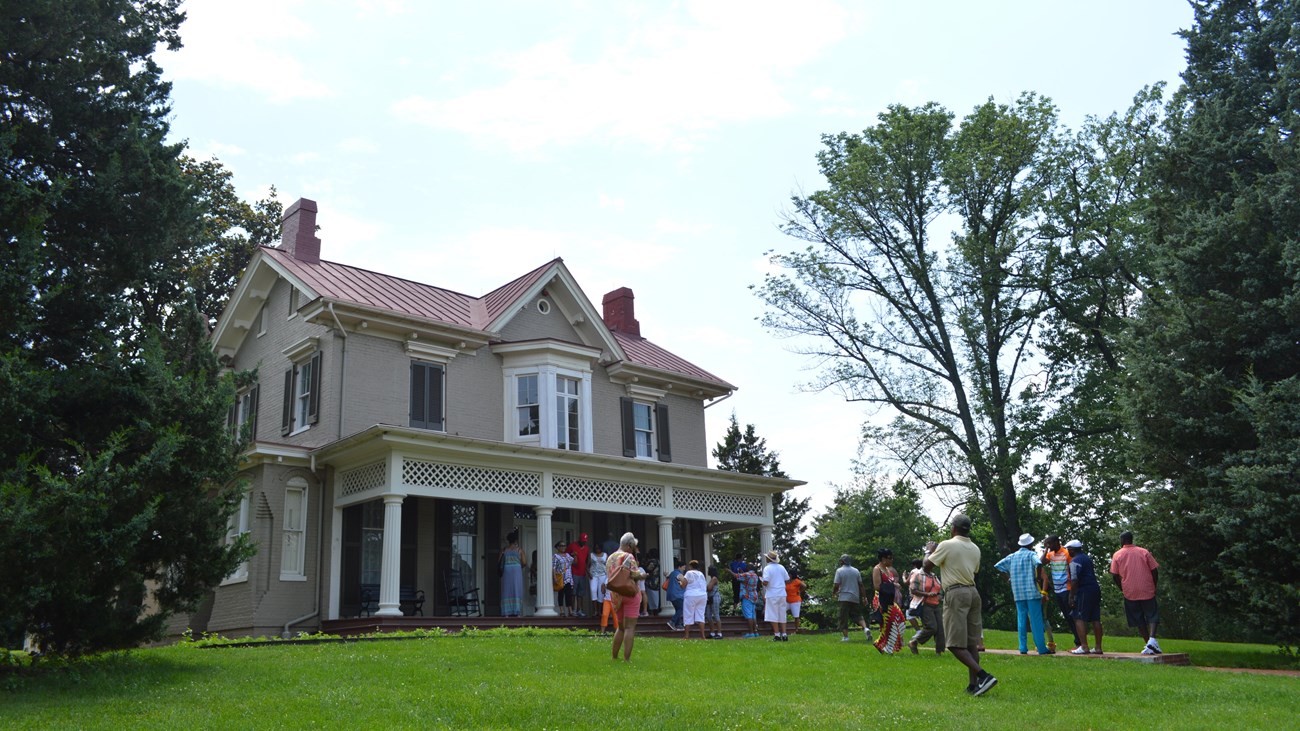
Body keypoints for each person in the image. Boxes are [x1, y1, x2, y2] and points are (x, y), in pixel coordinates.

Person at [925, 514, 997, 696]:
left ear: (953, 528)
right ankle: (973, 686)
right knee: (971, 643)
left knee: (954, 644)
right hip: (973, 592)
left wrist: (929, 551)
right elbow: (974, 570)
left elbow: (926, 567)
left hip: (956, 593)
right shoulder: (975, 548)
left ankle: (983, 676)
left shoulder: (947, 545)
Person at [994, 533, 1051, 655]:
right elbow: (1039, 563)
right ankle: (1041, 648)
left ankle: (1023, 647)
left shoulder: (1012, 556)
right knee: (1036, 620)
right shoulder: (1031, 555)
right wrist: (1037, 577)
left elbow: (998, 566)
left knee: (1021, 620)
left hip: (1018, 593)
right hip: (1031, 592)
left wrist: (1009, 579)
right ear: (1030, 544)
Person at [1109, 531, 1162, 655]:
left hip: (1130, 591)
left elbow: (1115, 575)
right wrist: (1154, 585)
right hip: (1146, 588)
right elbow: (1154, 571)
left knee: (1138, 618)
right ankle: (1152, 640)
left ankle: (1149, 643)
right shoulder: (1144, 552)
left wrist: (1122, 587)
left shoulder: (1117, 555)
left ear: (1122, 540)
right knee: (1152, 615)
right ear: (1131, 539)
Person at [607, 532, 647, 661]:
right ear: (629, 545)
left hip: (616, 596)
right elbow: (635, 575)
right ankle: (626, 659)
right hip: (630, 594)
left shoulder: (610, 557)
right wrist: (642, 576)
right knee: (630, 627)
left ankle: (614, 657)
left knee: (620, 627)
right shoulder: (629, 556)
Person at [1040, 534, 1082, 651]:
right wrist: (1046, 550)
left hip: (1067, 588)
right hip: (1057, 589)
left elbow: (1073, 567)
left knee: (1071, 616)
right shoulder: (1051, 554)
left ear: (1056, 542)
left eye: (1050, 544)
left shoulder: (1066, 553)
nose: (1048, 546)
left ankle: (1079, 643)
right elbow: (1040, 563)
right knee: (1067, 617)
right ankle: (1078, 642)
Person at [1066, 539, 1103, 655]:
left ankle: (1084, 646)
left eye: (1068, 550)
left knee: (1079, 617)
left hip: (1084, 590)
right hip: (1095, 589)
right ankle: (1098, 647)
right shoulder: (1087, 558)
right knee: (1095, 619)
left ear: (1072, 550)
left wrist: (1071, 596)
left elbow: (1074, 579)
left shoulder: (1074, 561)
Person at [907, 559, 944, 654]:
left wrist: (939, 595)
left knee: (940, 630)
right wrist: (926, 594)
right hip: (925, 604)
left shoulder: (934, 576)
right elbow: (913, 590)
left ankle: (939, 652)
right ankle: (914, 642)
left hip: (936, 604)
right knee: (932, 627)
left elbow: (939, 589)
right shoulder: (917, 574)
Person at [833, 554, 871, 642]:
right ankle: (865, 628)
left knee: (843, 617)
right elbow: (861, 585)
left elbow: (836, 585)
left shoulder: (839, 571)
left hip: (844, 597)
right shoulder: (856, 571)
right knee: (857, 615)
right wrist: (864, 597)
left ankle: (846, 637)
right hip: (855, 597)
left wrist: (834, 593)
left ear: (842, 561)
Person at [761, 550, 790, 641]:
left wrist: (761, 581)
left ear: (767, 559)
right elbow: (787, 579)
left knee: (772, 614)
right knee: (782, 613)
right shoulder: (781, 567)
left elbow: (766, 582)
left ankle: (777, 634)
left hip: (772, 593)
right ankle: (784, 634)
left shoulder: (767, 568)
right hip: (782, 592)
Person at [498, 531, 527, 617]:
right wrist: (518, 565)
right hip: (516, 570)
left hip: (506, 570)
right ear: (516, 540)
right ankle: (516, 611)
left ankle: (506, 612)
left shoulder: (503, 550)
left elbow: (499, 562)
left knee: (506, 589)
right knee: (517, 589)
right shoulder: (519, 550)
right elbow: (524, 562)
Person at [679, 559, 708, 639]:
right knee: (700, 616)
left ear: (690, 566)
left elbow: (683, 585)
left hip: (691, 595)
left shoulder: (689, 573)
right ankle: (703, 636)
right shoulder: (701, 574)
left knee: (688, 615)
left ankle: (686, 636)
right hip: (702, 595)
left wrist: (680, 582)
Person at [872, 548, 902, 621]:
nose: (892, 560)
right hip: (882, 601)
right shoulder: (877, 569)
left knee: (898, 621)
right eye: (890, 558)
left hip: (890, 600)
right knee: (888, 626)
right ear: (883, 559)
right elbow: (877, 586)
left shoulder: (888, 570)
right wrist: (894, 585)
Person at [566, 533, 591, 617]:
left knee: (580, 593)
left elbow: (587, 560)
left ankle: (579, 610)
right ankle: (573, 610)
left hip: (582, 573)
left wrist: (587, 570)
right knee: (573, 592)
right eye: (582, 541)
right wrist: (571, 555)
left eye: (585, 541)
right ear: (579, 539)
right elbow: (565, 556)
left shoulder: (587, 548)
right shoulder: (572, 546)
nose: (584, 543)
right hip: (573, 572)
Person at [734, 562, 761, 637]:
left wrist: (729, 571)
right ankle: (756, 632)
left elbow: (737, 576)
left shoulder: (746, 575)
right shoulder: (755, 575)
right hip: (754, 596)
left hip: (747, 597)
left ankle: (751, 632)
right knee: (753, 615)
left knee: (749, 615)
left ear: (748, 568)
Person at [590, 543, 610, 631]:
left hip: (603, 575)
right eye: (596, 547)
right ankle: (595, 610)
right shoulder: (591, 555)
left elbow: (608, 566)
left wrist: (607, 576)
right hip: (593, 575)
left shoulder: (605, 555)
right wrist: (589, 574)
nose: (597, 549)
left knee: (601, 593)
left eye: (599, 547)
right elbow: (587, 565)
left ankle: (601, 611)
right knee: (593, 590)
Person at [552, 541, 574, 618]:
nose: (563, 547)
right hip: (560, 577)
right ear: (557, 547)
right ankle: (561, 610)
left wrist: (575, 555)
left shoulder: (568, 555)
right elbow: (553, 567)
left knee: (569, 594)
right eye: (561, 546)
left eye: (564, 545)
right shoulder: (555, 556)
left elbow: (574, 562)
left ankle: (570, 610)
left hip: (568, 577)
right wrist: (554, 577)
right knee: (561, 594)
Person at [664, 558, 686, 631]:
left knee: (678, 610)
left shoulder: (672, 573)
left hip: (671, 594)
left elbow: (668, 577)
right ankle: (672, 622)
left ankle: (679, 625)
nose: (684, 569)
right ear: (679, 567)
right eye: (683, 567)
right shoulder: (679, 574)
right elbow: (684, 581)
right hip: (678, 594)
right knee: (681, 609)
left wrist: (666, 575)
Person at [903, 559, 925, 631]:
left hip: (914, 597)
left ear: (914, 565)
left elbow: (906, 582)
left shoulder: (914, 571)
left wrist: (904, 577)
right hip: (924, 596)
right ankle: (927, 630)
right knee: (923, 614)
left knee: (908, 615)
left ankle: (918, 631)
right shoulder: (924, 571)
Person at [705, 564, 724, 639]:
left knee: (716, 614)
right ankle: (712, 632)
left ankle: (719, 633)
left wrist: (705, 587)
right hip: (710, 598)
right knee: (708, 615)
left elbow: (709, 588)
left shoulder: (714, 579)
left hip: (715, 597)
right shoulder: (712, 579)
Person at [785, 569, 806, 634]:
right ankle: (783, 629)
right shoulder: (786, 581)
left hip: (795, 600)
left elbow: (804, 586)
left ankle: (796, 630)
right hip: (786, 600)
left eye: (789, 574)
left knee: (796, 616)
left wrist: (799, 591)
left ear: (791, 575)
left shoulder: (797, 581)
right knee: (782, 612)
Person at [642, 548, 660, 616]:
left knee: (651, 596)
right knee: (655, 596)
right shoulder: (658, 561)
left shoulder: (653, 562)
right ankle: (655, 610)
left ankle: (652, 611)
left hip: (651, 581)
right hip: (656, 581)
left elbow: (648, 569)